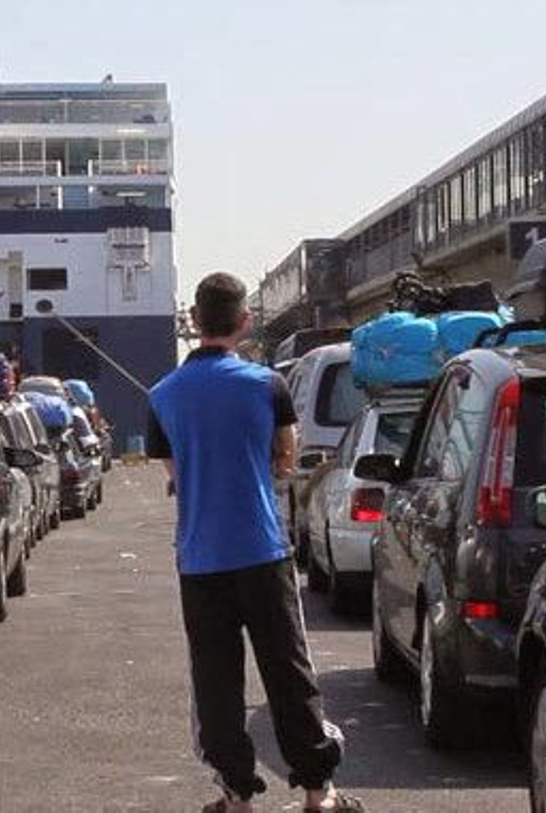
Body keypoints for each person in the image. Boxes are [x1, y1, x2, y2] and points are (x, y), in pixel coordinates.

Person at [147, 273, 361, 813]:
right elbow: (285, 459)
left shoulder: (161, 396)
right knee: (289, 671)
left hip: (200, 559)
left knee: (215, 683)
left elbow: (173, 471)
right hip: (263, 553)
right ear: (244, 322)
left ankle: (236, 794)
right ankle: (318, 792)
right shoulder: (268, 385)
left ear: (194, 322)